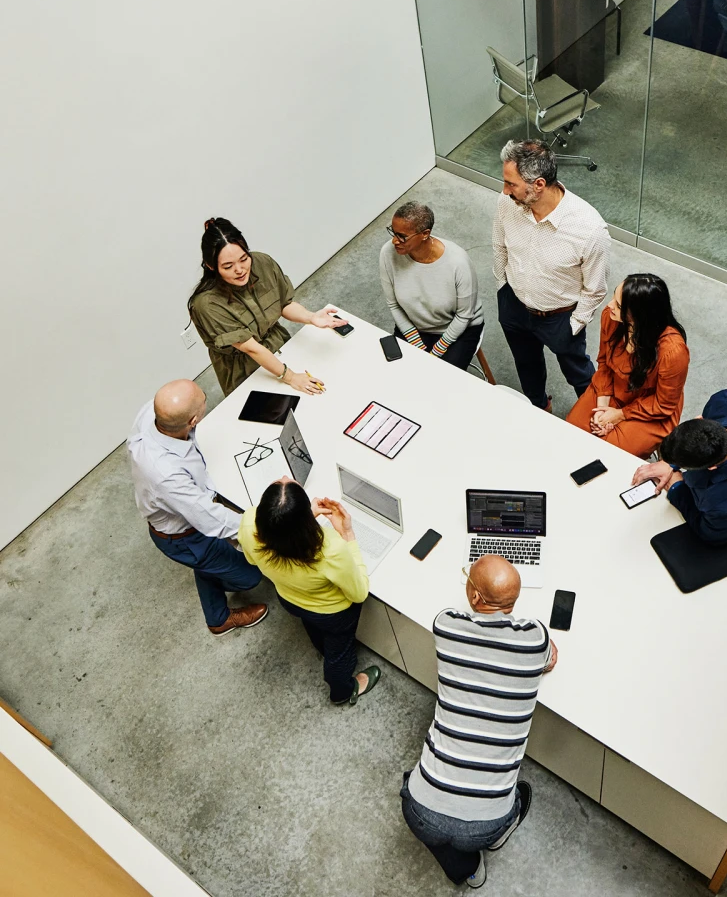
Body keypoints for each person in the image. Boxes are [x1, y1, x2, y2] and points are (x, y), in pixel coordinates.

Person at [400, 555, 557, 888]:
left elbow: (455, 616)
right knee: (508, 798)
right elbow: (549, 657)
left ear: (473, 597)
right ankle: (497, 835)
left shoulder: (445, 625)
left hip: (420, 812)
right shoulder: (535, 639)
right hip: (487, 822)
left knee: (435, 829)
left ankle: (468, 872)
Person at [127, 380, 268, 635]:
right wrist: (265, 525)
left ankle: (216, 617)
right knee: (251, 576)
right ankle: (221, 617)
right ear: (192, 420)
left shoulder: (155, 413)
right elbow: (213, 521)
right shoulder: (166, 474)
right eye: (203, 400)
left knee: (211, 563)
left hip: (187, 517)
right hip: (184, 537)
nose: (205, 396)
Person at [238, 478, 379, 705]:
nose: (285, 477)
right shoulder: (330, 549)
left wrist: (292, 522)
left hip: (289, 598)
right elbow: (359, 593)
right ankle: (343, 691)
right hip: (333, 614)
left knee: (313, 627)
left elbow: (252, 559)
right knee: (338, 654)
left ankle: (321, 648)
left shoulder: (248, 523)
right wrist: (349, 537)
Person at [493, 139, 610, 411]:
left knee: (579, 373)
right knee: (527, 367)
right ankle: (538, 408)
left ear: (539, 185)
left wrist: (574, 325)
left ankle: (596, 419)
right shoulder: (506, 202)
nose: (504, 190)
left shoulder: (590, 230)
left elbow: (595, 288)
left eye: (511, 184)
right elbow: (499, 246)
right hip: (515, 308)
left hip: (559, 318)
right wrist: (503, 290)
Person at [188, 217, 348, 397]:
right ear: (211, 267)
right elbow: (250, 348)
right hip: (245, 369)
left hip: (279, 345)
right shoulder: (207, 304)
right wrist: (291, 377)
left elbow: (283, 304)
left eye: (243, 259)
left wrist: (310, 317)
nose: (240, 269)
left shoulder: (262, 263)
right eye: (228, 266)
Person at [632, 389, 727, 544]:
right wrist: (669, 463)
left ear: (711, 468)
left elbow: (711, 533)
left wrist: (677, 488)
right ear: (700, 419)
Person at [566, 273, 689, 457]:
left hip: (650, 407)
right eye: (614, 297)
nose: (609, 306)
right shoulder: (611, 317)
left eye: (618, 305)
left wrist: (619, 415)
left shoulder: (673, 351)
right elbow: (604, 364)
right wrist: (602, 409)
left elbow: (663, 404)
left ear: (640, 316)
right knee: (572, 431)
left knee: (608, 454)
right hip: (614, 388)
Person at [379, 201, 485, 371]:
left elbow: (464, 316)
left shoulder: (458, 262)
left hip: (457, 330)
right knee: (397, 372)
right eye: (392, 232)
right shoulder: (388, 253)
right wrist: (418, 345)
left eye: (402, 236)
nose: (394, 241)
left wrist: (435, 353)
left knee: (441, 380)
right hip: (414, 327)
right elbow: (393, 304)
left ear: (425, 234)